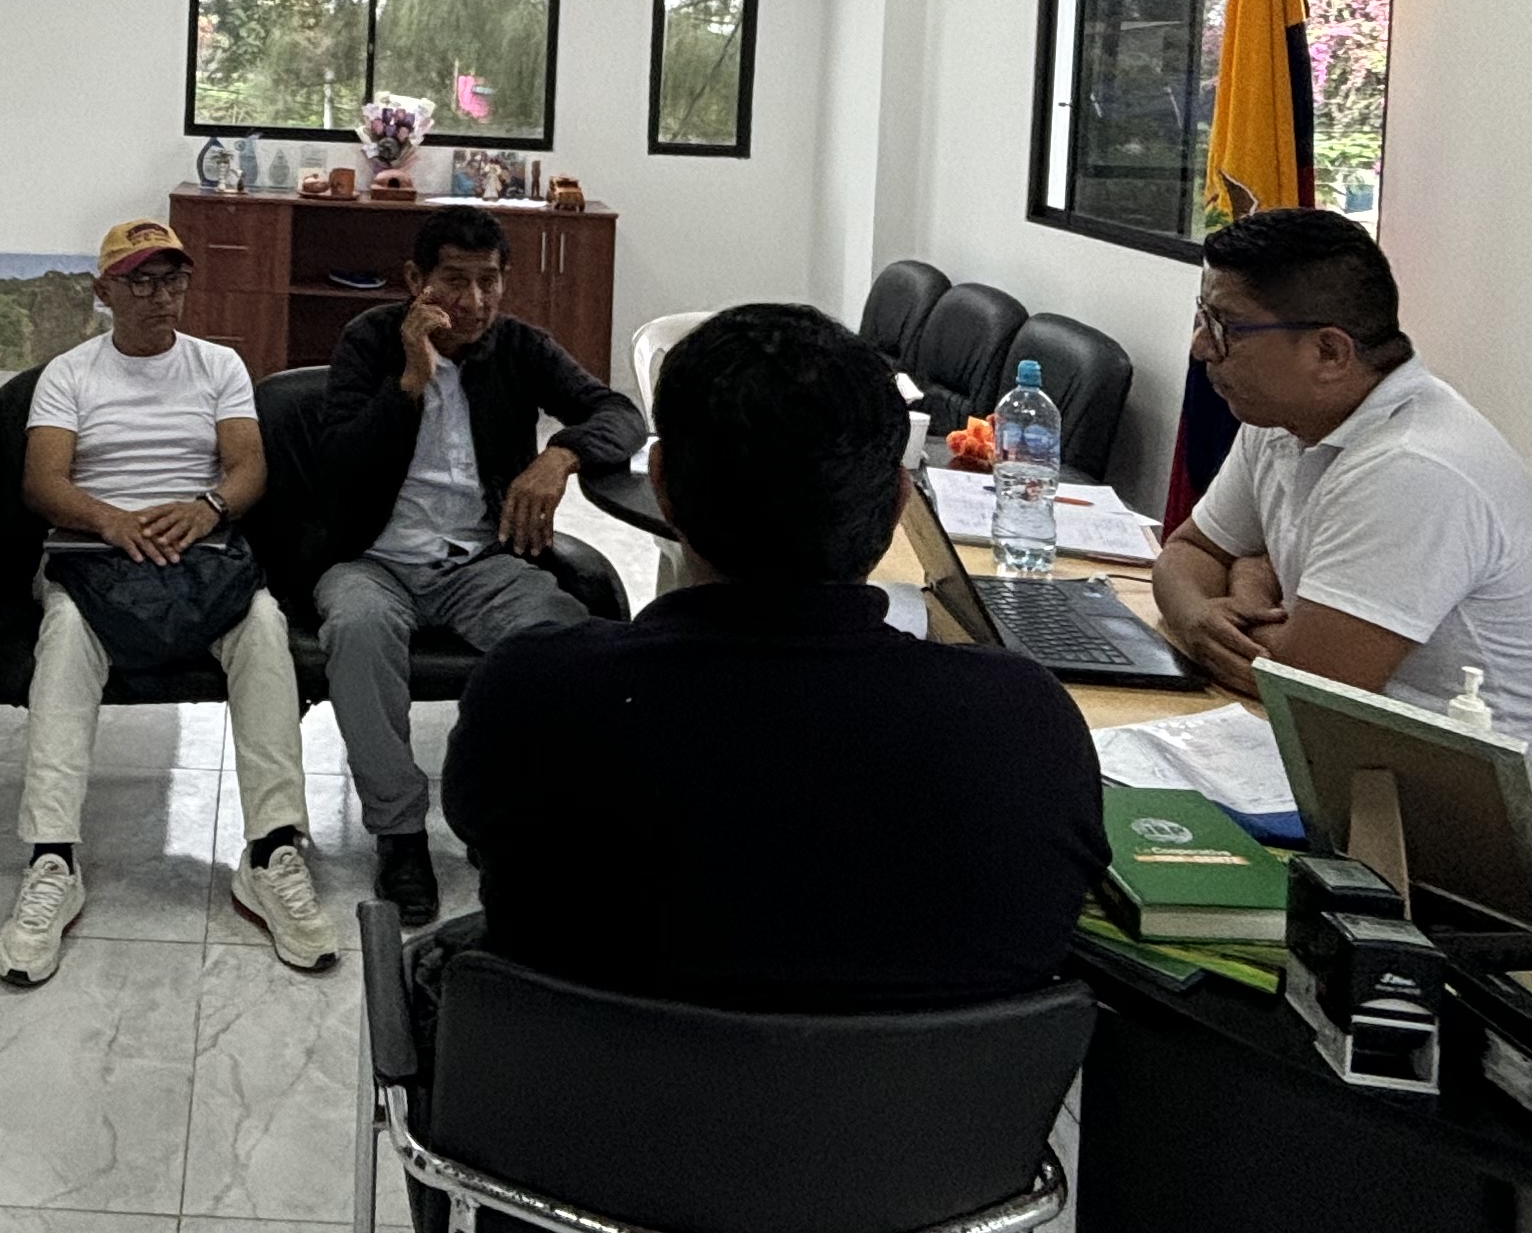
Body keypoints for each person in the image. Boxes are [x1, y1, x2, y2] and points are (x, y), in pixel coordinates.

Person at [439, 301, 1103, 1017]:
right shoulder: (1026, 725)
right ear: (896, 506)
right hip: (928, 1095)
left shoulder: (535, 695)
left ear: (661, 486)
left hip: (582, 1086)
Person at [1148, 206, 1532, 835]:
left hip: (1503, 839)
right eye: (1203, 318)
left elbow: (1301, 685)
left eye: (1226, 327)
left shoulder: (1414, 465)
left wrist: (1243, 584)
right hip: (1365, 780)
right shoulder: (1285, 420)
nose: (1201, 347)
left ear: (1329, 351)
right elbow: (1187, 552)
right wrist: (1204, 613)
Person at [0, 219, 339, 988]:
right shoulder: (69, 375)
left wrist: (207, 508)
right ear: (104, 291)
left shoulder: (218, 365)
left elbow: (248, 468)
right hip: (93, 555)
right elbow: (43, 482)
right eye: (142, 282)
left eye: (173, 280)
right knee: (64, 635)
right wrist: (110, 520)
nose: (161, 297)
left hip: (202, 549)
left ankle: (272, 851)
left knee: (263, 628)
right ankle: (52, 858)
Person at [310, 207, 648, 927]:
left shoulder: (518, 346)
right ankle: (400, 833)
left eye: (488, 282)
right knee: (358, 631)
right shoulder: (368, 340)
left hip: (479, 560)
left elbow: (620, 413)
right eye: (453, 282)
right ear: (416, 280)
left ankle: (514, 815)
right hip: (374, 558)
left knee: (563, 640)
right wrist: (409, 380)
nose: (472, 302)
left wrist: (560, 455)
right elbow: (339, 465)